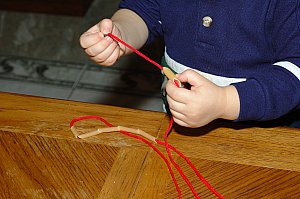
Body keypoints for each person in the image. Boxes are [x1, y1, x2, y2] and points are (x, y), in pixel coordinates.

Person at [79, 1, 300, 128]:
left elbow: (295, 74)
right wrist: (121, 32)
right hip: (178, 124)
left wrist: (224, 102)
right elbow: (143, 9)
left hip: (265, 136)